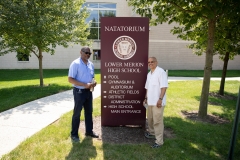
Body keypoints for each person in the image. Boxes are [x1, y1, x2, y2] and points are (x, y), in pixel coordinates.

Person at [68, 46, 98, 142]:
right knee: (77, 114)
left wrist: (93, 82)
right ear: (80, 52)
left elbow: (92, 77)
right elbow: (70, 79)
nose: (88, 55)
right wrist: (84, 85)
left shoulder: (91, 64)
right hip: (79, 92)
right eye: (86, 52)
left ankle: (89, 131)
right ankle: (74, 135)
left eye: (89, 53)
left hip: (89, 92)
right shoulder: (75, 64)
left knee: (89, 112)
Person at [143, 57, 168, 148]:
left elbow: (164, 87)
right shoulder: (149, 74)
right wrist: (145, 98)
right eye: (149, 62)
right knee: (150, 119)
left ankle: (159, 142)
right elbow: (147, 88)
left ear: (156, 62)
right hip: (150, 101)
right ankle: (152, 133)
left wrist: (160, 99)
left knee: (157, 121)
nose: (150, 63)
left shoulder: (161, 72)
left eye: (152, 62)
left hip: (158, 102)